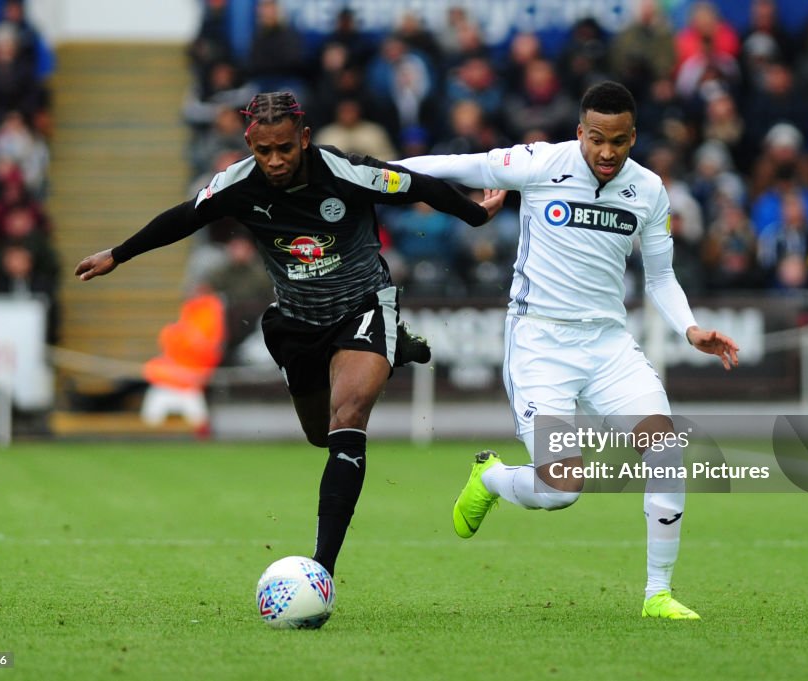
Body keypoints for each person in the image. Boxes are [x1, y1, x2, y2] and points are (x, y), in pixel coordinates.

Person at [74, 92, 504, 577]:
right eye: (264, 151)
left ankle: (322, 568)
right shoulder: (236, 185)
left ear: (303, 138)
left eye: (284, 149)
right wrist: (119, 253)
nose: (275, 161)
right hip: (297, 322)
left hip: (363, 306)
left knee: (348, 419)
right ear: (249, 145)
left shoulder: (346, 172)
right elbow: (183, 217)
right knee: (321, 434)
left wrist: (474, 215)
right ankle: (394, 349)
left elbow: (416, 184)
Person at [394, 81, 739, 620]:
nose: (607, 152)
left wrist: (690, 328)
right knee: (562, 488)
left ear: (633, 138)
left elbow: (663, 276)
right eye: (596, 139)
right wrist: (372, 171)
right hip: (539, 342)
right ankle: (491, 479)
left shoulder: (648, 191)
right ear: (580, 132)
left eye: (619, 141)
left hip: (608, 345)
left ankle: (658, 594)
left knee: (666, 451)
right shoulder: (540, 163)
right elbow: (458, 165)